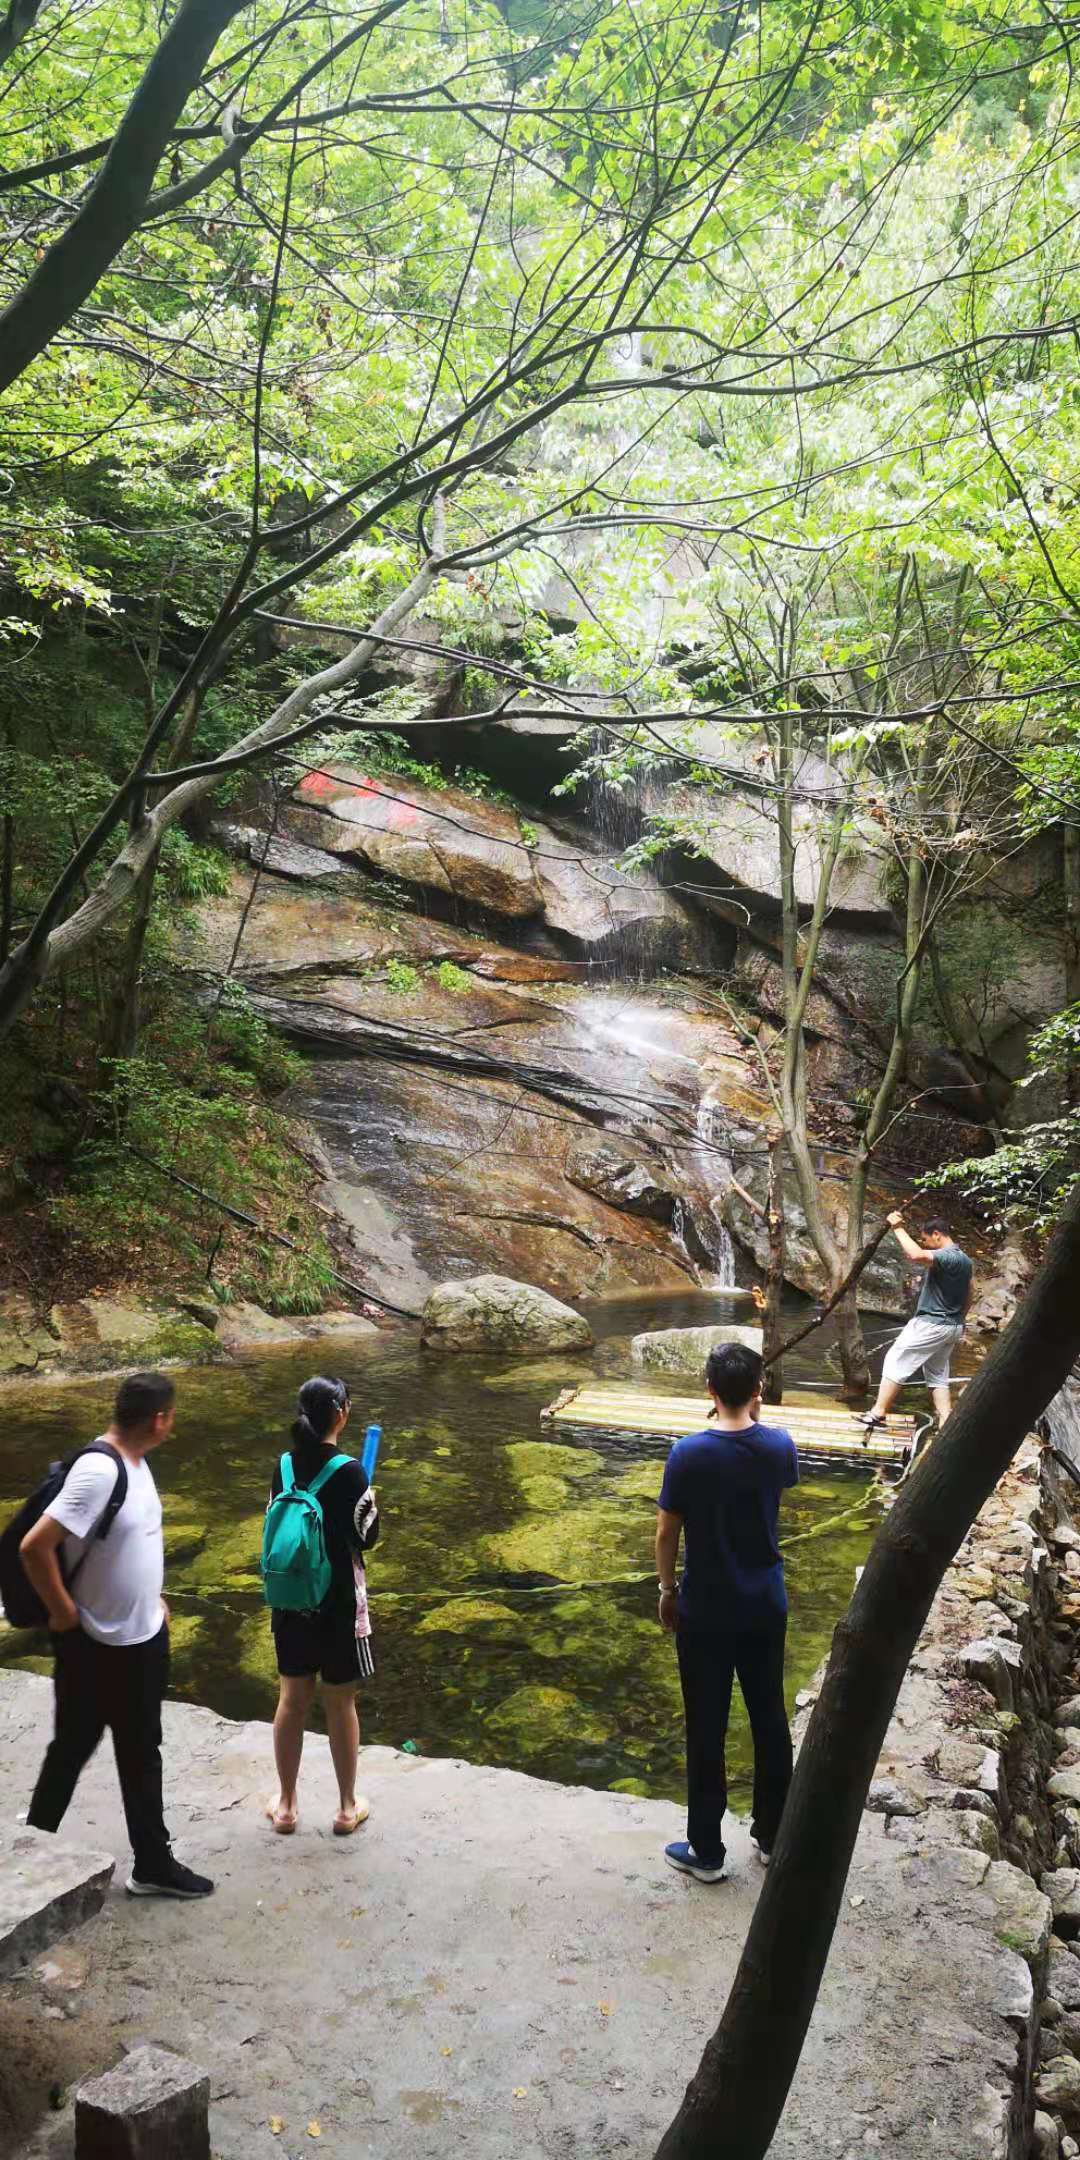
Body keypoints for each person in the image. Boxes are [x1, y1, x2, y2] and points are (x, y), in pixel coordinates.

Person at [22, 1372, 213, 1900]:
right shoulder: (98, 1472)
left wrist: (152, 1600)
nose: (171, 1424)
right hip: (95, 1645)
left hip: (140, 1639)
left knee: (138, 1750)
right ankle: (32, 1850)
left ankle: (151, 1863)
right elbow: (35, 1548)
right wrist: (62, 1613)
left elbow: (130, 1541)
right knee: (75, 1749)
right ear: (157, 1420)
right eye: (170, 1416)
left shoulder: (136, 1462)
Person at [655, 1342, 798, 1885]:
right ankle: (772, 1833)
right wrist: (751, 1412)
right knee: (769, 1717)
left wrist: (667, 1589)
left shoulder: (687, 1454)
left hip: (706, 1608)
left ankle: (707, 1850)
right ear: (758, 1390)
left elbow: (667, 1532)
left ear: (709, 1390)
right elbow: (761, 1459)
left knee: (706, 1725)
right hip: (765, 1603)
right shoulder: (779, 1447)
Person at [266, 1375, 379, 1837]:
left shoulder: (284, 1467)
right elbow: (367, 1538)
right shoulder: (351, 1471)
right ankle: (346, 1808)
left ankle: (287, 1806)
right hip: (337, 1605)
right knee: (340, 1702)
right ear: (343, 1412)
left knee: (292, 1700)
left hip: (290, 1600)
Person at [855, 1211, 973, 1433]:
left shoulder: (948, 1256)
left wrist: (897, 1227)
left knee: (895, 1360)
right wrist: (961, 1320)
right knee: (937, 1374)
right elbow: (970, 1292)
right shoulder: (966, 1261)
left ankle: (878, 1413)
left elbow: (916, 1255)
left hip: (931, 1324)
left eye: (926, 1239)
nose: (925, 1244)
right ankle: (947, 1423)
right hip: (952, 1327)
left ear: (937, 1234)